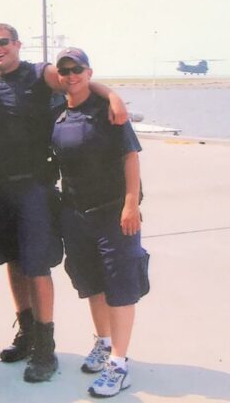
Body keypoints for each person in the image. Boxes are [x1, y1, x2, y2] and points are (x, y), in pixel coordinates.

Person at [0, 23, 128, 383]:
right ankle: (27, 333)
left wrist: (113, 95)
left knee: (38, 266)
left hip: (35, 187)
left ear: (17, 44)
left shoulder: (39, 73)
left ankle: (46, 349)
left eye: (3, 43)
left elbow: (78, 82)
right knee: (14, 262)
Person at [50, 47, 150, 397]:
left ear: (89, 72)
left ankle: (120, 366)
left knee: (120, 285)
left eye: (78, 69)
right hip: (76, 214)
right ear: (58, 76)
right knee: (92, 283)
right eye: (65, 70)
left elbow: (130, 156)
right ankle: (104, 343)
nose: (71, 74)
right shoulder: (58, 114)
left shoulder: (107, 112)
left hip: (113, 213)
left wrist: (130, 204)